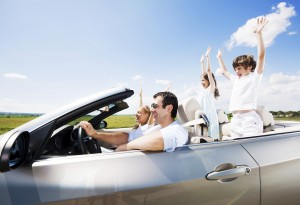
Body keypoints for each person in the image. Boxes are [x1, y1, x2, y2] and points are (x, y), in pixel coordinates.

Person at [80, 91, 188, 152]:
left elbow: (158, 141)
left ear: (169, 108)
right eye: (151, 106)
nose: (151, 109)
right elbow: (128, 137)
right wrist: (95, 134)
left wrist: (124, 147)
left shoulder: (177, 131)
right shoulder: (156, 128)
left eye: (155, 106)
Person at [217, 17, 268, 138]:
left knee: (252, 148)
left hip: (249, 119)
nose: (236, 71)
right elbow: (224, 71)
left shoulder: (254, 77)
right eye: (235, 69)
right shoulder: (236, 80)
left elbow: (261, 56)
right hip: (236, 119)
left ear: (249, 67)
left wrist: (258, 34)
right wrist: (219, 58)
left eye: (239, 68)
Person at [197, 47, 220, 140]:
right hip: (202, 113)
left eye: (203, 80)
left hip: (209, 114)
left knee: (210, 133)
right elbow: (203, 73)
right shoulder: (203, 89)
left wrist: (207, 57)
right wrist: (201, 63)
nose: (201, 82)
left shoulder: (211, 88)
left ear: (208, 80)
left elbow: (208, 71)